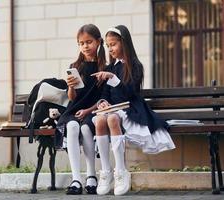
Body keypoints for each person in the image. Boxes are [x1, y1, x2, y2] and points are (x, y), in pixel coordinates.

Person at [91, 25, 176, 196]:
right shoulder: (110, 68)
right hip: (114, 109)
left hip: (130, 108)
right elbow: (105, 94)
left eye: (113, 44)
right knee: (101, 119)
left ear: (124, 43)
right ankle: (106, 171)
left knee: (112, 119)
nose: (110, 48)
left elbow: (129, 93)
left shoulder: (135, 66)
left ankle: (121, 171)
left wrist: (113, 78)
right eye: (108, 45)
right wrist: (103, 103)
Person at [56, 24, 106, 195]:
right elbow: (72, 98)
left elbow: (103, 98)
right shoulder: (76, 66)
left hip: (93, 111)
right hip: (75, 110)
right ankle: (76, 178)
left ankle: (91, 175)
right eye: (81, 43)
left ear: (98, 42)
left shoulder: (104, 67)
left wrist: (88, 111)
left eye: (89, 42)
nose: (85, 46)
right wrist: (70, 87)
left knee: (85, 128)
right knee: (72, 126)